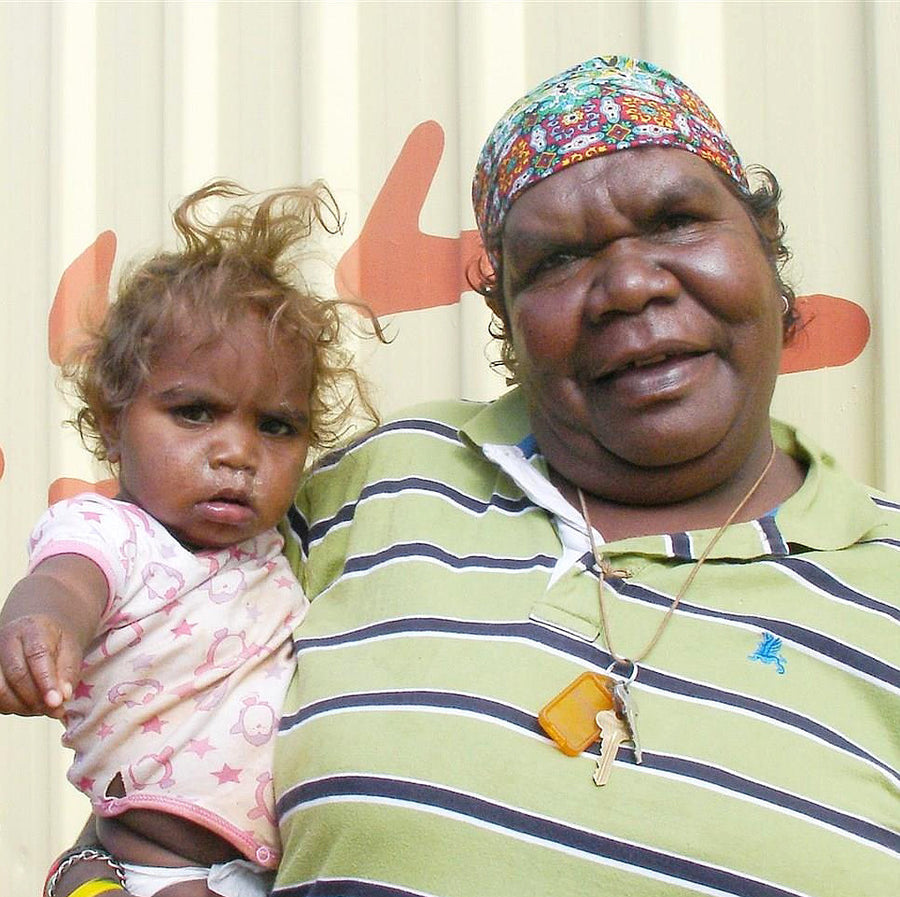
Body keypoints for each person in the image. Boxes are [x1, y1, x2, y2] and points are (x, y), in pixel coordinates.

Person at [272, 56, 899, 896]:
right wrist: (99, 876)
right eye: (560, 260)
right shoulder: (380, 484)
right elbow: (157, 735)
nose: (629, 286)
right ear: (507, 317)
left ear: (766, 243)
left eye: (676, 220)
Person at [0, 180, 377, 897]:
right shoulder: (115, 533)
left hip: (262, 865)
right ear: (112, 422)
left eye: (276, 426)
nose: (238, 453)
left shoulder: (276, 551)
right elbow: (66, 582)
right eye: (196, 412)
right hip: (157, 863)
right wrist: (36, 624)